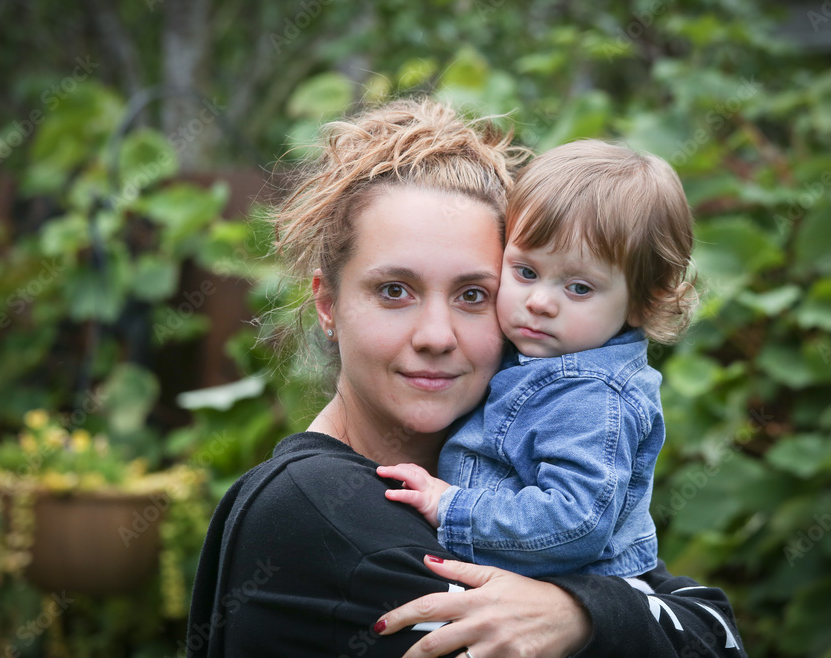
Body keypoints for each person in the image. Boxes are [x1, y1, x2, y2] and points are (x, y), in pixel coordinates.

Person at [186, 98, 746, 658]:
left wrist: (579, 613)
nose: (436, 335)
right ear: (328, 304)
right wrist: (610, 613)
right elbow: (697, 630)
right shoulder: (323, 510)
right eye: (394, 291)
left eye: (473, 295)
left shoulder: (515, 480)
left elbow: (710, 623)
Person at [377, 139, 695, 580]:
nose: (541, 302)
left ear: (643, 303)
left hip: (570, 599)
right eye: (526, 272)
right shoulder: (529, 353)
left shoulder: (592, 397)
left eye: (579, 288)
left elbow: (573, 522)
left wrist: (450, 506)